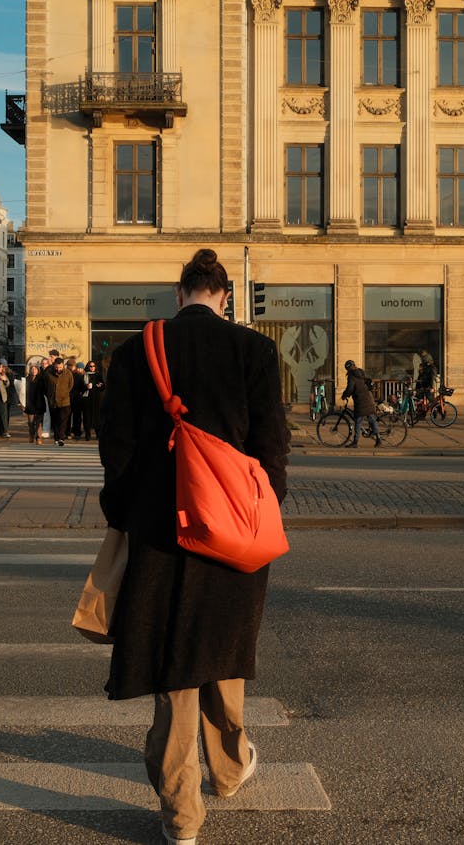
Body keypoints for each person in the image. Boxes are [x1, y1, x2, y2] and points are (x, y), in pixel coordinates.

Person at [98, 248, 290, 845]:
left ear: (178, 295)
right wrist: (261, 509)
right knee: (224, 649)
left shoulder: (137, 352)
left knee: (174, 664)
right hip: (233, 527)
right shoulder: (254, 351)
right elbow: (272, 447)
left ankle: (182, 815)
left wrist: (125, 514)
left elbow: (116, 449)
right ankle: (229, 772)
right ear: (225, 297)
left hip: (160, 531)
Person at [340, 359, 381, 448]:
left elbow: (350, 388)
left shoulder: (352, 376)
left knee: (358, 422)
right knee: (372, 419)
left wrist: (344, 395)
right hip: (369, 398)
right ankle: (378, 439)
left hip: (361, 401)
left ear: (348, 368)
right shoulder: (360, 373)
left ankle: (355, 442)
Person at [47, 356, 73, 446]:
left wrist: (64, 393)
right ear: (54, 365)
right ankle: (56, 437)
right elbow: (45, 386)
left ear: (63, 366)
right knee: (55, 421)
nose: (58, 369)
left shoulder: (68, 373)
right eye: (57, 367)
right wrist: (50, 395)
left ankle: (61, 438)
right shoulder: (49, 373)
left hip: (65, 401)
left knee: (63, 420)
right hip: (53, 401)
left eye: (60, 367)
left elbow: (70, 385)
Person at [82, 359, 104, 441]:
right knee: (87, 417)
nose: (92, 368)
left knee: (97, 417)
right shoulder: (84, 375)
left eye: (93, 366)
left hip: (97, 399)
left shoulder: (98, 375)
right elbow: (80, 387)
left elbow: (103, 386)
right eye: (90, 366)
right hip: (87, 399)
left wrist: (100, 385)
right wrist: (86, 387)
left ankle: (98, 434)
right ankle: (87, 434)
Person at [23, 363, 46, 444]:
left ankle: (39, 438)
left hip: (40, 403)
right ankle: (31, 435)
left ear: (38, 370)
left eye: (35, 369)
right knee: (31, 422)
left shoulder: (41, 379)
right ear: (30, 370)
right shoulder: (26, 379)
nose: (33, 371)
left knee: (39, 422)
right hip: (30, 403)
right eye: (32, 369)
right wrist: (22, 403)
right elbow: (22, 392)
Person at [70, 362, 88, 439]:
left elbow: (83, 387)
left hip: (82, 398)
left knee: (81, 416)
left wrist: (84, 389)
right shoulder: (75, 376)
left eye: (81, 368)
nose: (79, 369)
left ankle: (78, 431)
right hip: (76, 398)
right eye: (78, 368)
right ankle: (76, 431)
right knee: (76, 416)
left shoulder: (85, 376)